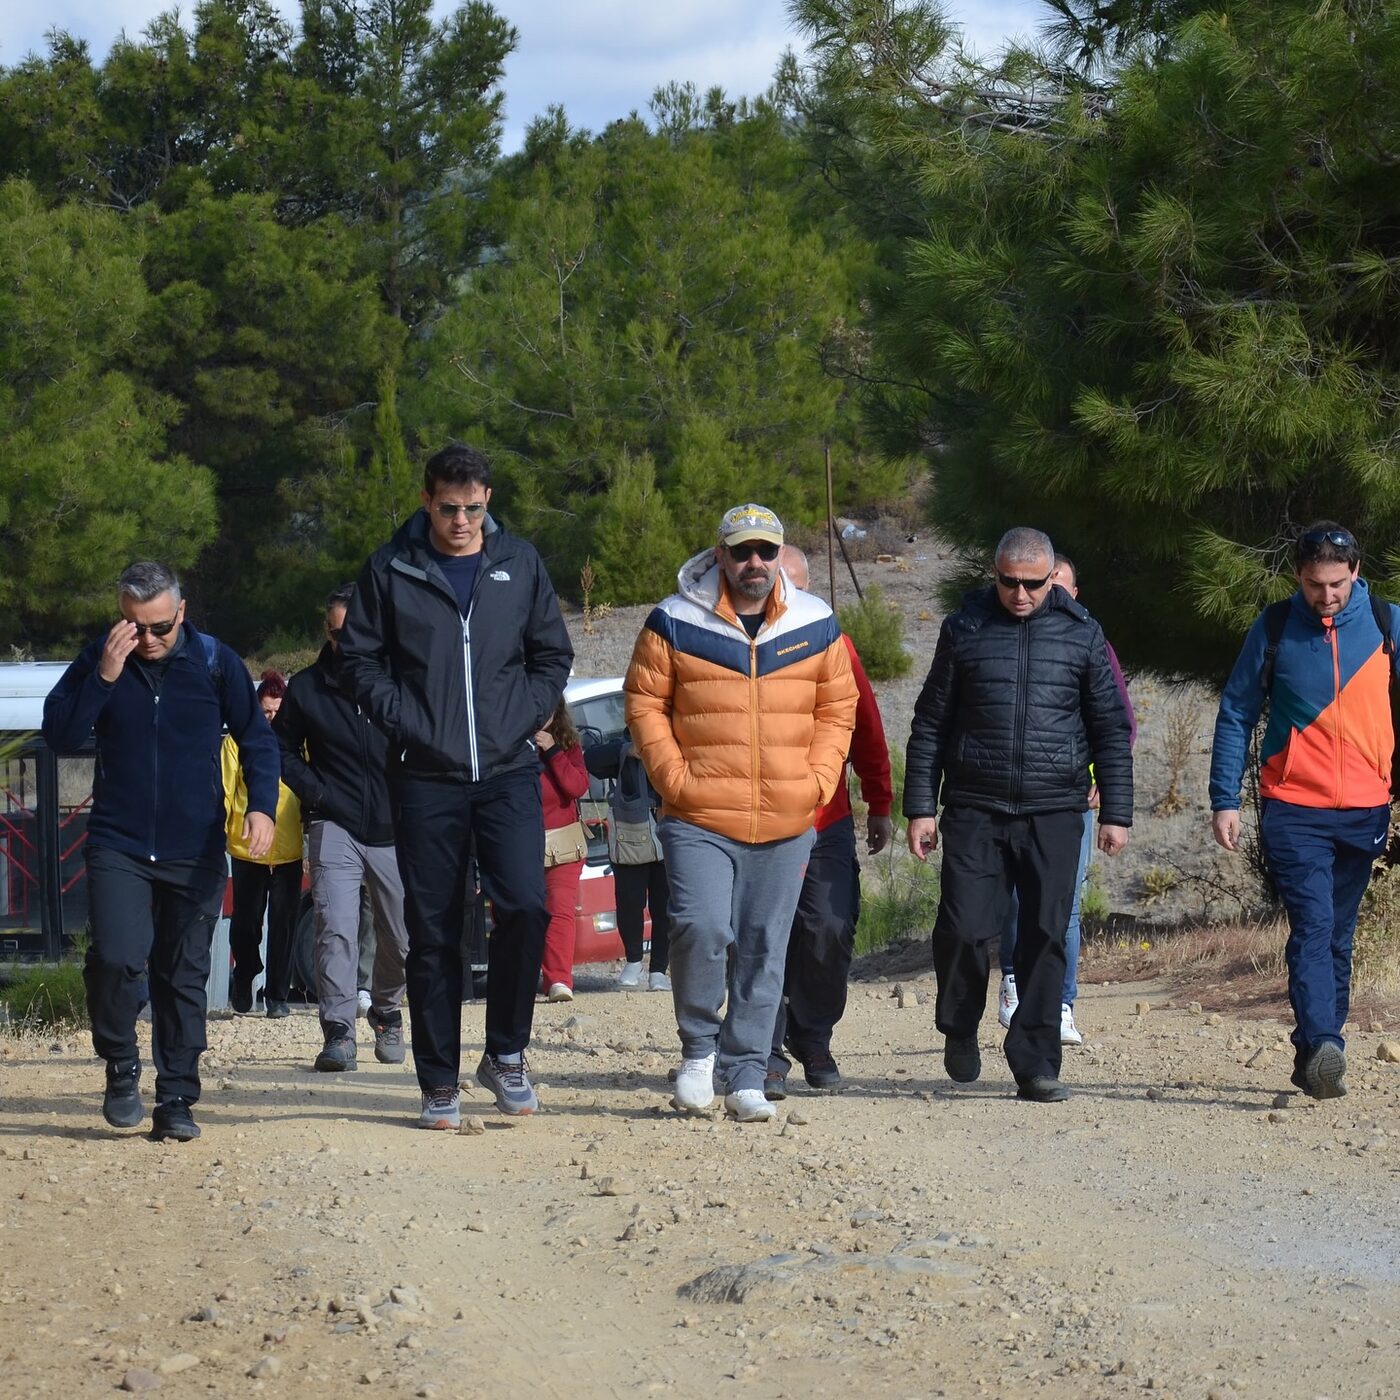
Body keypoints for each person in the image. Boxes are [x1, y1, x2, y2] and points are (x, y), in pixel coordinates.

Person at [340, 443, 573, 1128]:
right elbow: (359, 660)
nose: (461, 521)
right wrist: (411, 722)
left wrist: (519, 718)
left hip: (506, 771)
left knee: (527, 907)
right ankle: (438, 1078)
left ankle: (505, 1053)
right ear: (426, 500)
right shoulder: (391, 567)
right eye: (449, 508)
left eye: (473, 508)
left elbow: (550, 654)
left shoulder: (520, 562)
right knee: (435, 931)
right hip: (425, 778)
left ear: (488, 502)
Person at [625, 504, 858, 1123]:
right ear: (720, 555)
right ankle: (699, 1050)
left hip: (787, 817)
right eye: (741, 551)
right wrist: (674, 777)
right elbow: (644, 702)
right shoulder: (674, 621)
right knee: (700, 929)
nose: (754, 562)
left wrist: (817, 782)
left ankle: (748, 1069)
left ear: (779, 555)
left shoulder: (816, 623)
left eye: (765, 551)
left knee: (764, 945)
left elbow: (840, 708)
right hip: (698, 816)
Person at [42, 561, 279, 1141]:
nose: (145, 639)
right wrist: (103, 673)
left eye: (158, 628)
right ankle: (120, 1064)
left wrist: (262, 807)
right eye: (133, 625)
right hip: (118, 842)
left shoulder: (216, 662)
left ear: (181, 613)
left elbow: (257, 741)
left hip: (193, 847)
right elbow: (60, 734)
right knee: (118, 959)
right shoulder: (102, 656)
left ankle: (176, 1098)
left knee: (182, 976)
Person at [905, 527, 1133, 1103]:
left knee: (1044, 934)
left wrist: (1117, 811)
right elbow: (930, 722)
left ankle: (1035, 1062)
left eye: (1034, 583)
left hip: (1055, 809)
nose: (1022, 594)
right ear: (995, 573)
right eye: (1011, 582)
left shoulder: (1082, 634)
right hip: (975, 807)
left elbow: (1110, 727)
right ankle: (958, 1026)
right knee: (962, 927)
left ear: (1051, 578)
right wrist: (919, 808)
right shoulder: (965, 629)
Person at [1210, 522, 1399, 1101]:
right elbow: (1237, 709)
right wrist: (1224, 798)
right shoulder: (1274, 627)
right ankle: (1325, 1041)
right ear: (1299, 576)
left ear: (1356, 573)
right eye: (1316, 585)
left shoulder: (1388, 624)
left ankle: (1317, 1050)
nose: (1327, 596)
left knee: (1338, 933)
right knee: (1315, 924)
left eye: (1337, 584)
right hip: (1293, 807)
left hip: (1367, 807)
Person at [766, 545, 892, 1099]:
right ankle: (763, 1051)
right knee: (760, 935)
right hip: (753, 818)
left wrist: (881, 801)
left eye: (796, 589)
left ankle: (812, 1033)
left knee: (829, 927)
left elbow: (866, 724)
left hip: (826, 816)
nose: (785, 598)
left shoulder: (834, 643)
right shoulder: (736, 644)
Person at [997, 553, 1137, 1047]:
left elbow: (1118, 723)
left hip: (1070, 798)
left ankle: (1059, 1003)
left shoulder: (1090, 643)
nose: (1037, 593)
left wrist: (1103, 783)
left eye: (1056, 584)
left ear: (1073, 595)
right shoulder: (998, 638)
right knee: (1016, 900)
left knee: (1065, 907)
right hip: (1009, 801)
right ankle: (1013, 981)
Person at [273, 584, 412, 1073]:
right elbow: (280, 749)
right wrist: (318, 793)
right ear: (327, 633)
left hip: (397, 826)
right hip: (334, 823)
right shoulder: (308, 688)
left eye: (354, 631)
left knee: (401, 934)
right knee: (334, 929)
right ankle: (338, 1032)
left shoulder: (402, 679)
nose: (345, 641)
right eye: (336, 633)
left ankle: (387, 1010)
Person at [222, 669, 304, 1019]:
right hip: (248, 850)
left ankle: (277, 995)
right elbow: (225, 792)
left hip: (288, 850)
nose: (272, 718)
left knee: (284, 927)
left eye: (277, 712)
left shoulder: (301, 744)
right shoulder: (235, 743)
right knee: (245, 925)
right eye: (266, 712)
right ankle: (245, 973)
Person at [583, 730, 672, 992]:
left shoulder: (672, 738)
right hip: (630, 835)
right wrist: (628, 750)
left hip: (669, 830)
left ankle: (659, 969)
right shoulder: (624, 743)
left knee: (664, 907)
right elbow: (591, 759)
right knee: (629, 903)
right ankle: (634, 959)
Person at [537, 696, 591, 1003]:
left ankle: (558, 979)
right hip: (522, 842)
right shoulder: (513, 744)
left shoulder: (568, 746)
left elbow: (576, 787)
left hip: (563, 846)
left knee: (559, 908)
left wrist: (553, 751)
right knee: (524, 911)